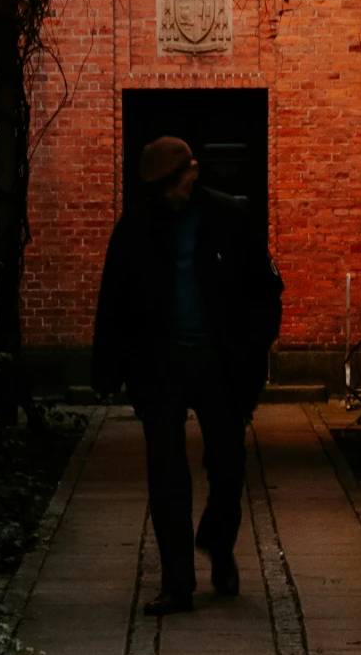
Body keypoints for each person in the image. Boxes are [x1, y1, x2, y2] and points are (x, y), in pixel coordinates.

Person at [92, 135, 283, 615]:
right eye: (158, 188)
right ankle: (178, 582)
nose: (168, 194)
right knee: (166, 474)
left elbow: (264, 291)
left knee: (228, 465)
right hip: (160, 367)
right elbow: (113, 299)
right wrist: (108, 368)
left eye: (173, 183)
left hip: (221, 366)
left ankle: (218, 545)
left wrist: (254, 352)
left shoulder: (229, 218)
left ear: (193, 172)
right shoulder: (135, 228)